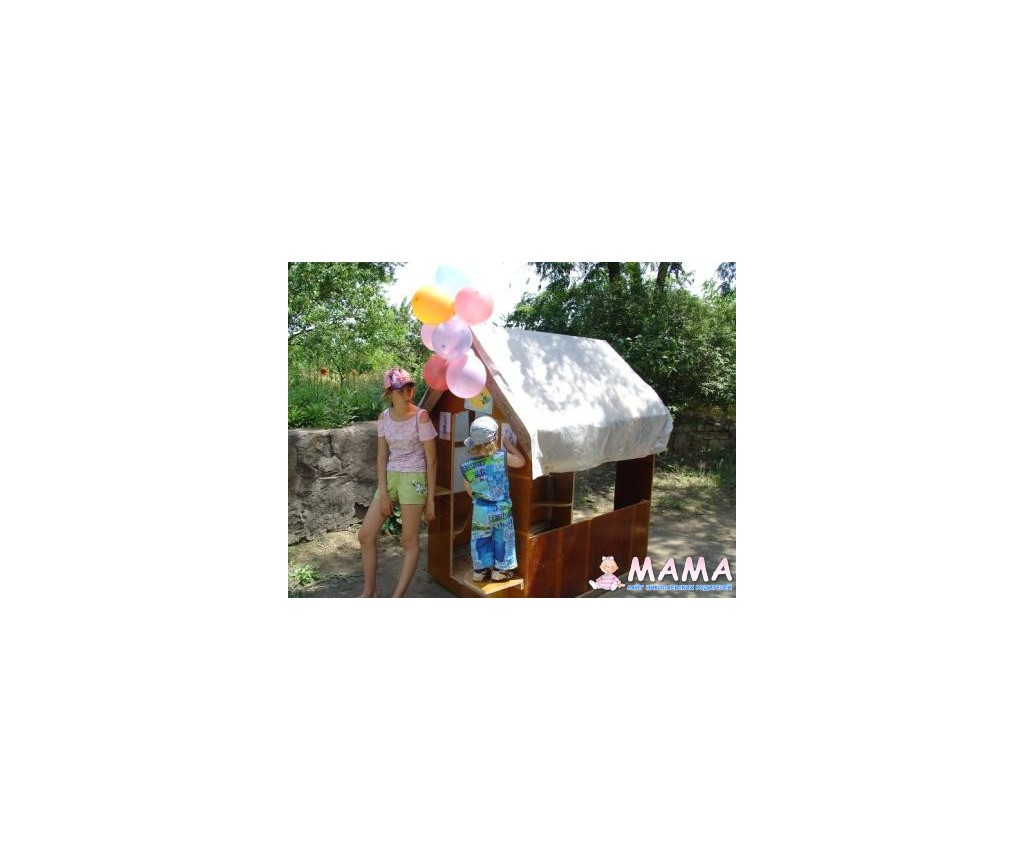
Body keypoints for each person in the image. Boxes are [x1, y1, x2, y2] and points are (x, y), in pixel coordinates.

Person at [357, 367, 437, 597]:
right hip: (391, 476)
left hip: (414, 478)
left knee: (408, 541)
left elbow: (432, 461)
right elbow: (382, 457)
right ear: (389, 393)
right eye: (400, 390)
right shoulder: (384, 418)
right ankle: (369, 592)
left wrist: (430, 500)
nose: (406, 394)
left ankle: (397, 597)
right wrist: (383, 492)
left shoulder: (421, 417)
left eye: (409, 388)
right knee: (365, 535)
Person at [459, 416, 526, 583]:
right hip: (501, 509)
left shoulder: (467, 466)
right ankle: (499, 571)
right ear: (495, 438)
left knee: (480, 538)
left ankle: (480, 571)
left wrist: (481, 498)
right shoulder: (501, 458)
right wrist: (509, 445)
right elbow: (521, 462)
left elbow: (469, 490)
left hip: (481, 509)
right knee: (502, 538)